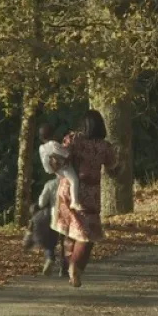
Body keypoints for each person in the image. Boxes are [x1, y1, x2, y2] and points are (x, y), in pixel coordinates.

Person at [52, 110, 119, 287]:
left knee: (68, 229)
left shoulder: (72, 139)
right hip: (90, 193)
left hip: (68, 189)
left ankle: (65, 264)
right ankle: (75, 266)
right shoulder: (104, 146)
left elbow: (58, 159)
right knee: (87, 235)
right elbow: (113, 167)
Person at [22, 178, 66, 276]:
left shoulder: (51, 184)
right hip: (67, 216)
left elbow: (41, 202)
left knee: (49, 242)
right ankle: (64, 269)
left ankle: (50, 258)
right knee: (66, 243)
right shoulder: (71, 182)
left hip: (52, 216)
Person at [38, 123, 84, 212]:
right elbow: (65, 154)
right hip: (64, 167)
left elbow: (45, 162)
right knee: (74, 180)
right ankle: (74, 201)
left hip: (55, 169)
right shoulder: (53, 144)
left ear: (41, 138)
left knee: (64, 181)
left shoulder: (41, 148)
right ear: (53, 135)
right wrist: (70, 149)